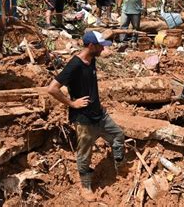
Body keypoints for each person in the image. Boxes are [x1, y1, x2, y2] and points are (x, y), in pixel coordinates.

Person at [47, 31, 125, 202]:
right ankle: (86, 186)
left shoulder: (91, 58)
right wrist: (72, 103)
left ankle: (119, 166)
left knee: (118, 135)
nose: (102, 49)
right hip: (83, 119)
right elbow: (52, 88)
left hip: (99, 114)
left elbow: (105, 44)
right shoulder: (74, 65)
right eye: (100, 46)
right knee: (85, 153)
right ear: (91, 46)